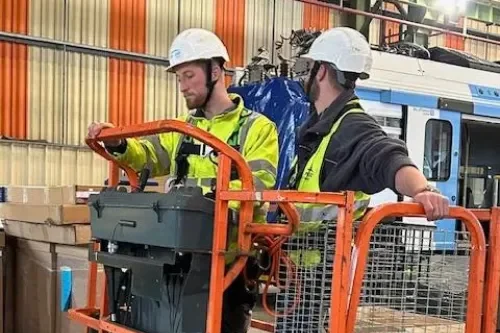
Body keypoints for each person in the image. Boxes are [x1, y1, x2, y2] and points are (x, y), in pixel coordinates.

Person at [87, 28, 279, 333]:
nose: (182, 86)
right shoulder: (182, 129)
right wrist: (119, 144)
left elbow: (258, 185)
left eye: (188, 75)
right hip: (175, 255)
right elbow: (149, 155)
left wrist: (206, 201)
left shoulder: (257, 129)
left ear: (215, 71)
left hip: (228, 261)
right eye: (179, 78)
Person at [275, 27, 450, 332]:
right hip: (304, 273)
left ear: (322, 71)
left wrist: (423, 190)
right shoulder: (320, 127)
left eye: (307, 67)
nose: (304, 76)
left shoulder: (352, 125)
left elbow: (389, 157)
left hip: (322, 280)